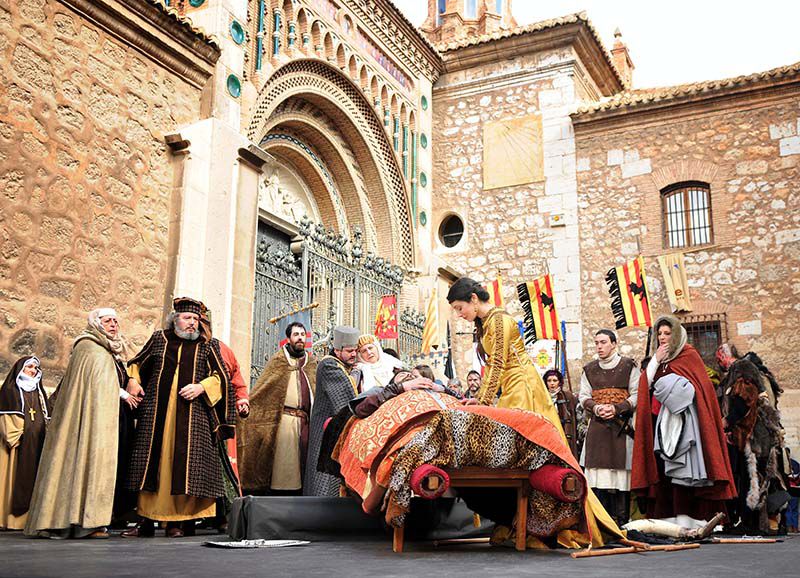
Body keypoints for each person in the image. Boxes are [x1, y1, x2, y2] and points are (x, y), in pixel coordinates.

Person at [447, 277, 623, 546]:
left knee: (528, 458)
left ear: (473, 299)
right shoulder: (485, 324)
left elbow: (496, 365)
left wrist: (481, 400)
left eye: (460, 308)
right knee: (515, 460)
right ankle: (518, 521)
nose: (460, 315)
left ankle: (541, 524)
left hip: (523, 389)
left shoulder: (498, 320)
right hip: (511, 388)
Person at [122, 297, 235, 538]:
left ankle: (179, 522)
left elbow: (221, 377)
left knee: (186, 465)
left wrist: (202, 387)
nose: (192, 323)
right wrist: (132, 381)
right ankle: (145, 520)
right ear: (175, 320)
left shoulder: (208, 345)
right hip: (156, 416)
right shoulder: (159, 339)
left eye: (195, 319)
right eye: (187, 318)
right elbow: (136, 363)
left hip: (193, 419)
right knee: (151, 463)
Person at [25, 308, 138, 539]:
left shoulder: (110, 353)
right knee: (80, 462)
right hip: (86, 422)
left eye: (116, 321)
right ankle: (74, 521)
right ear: (96, 324)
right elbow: (91, 388)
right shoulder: (88, 347)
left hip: (105, 421)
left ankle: (92, 521)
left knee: (99, 464)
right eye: (108, 321)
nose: (114, 325)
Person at [632, 315, 736, 522]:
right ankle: (667, 517)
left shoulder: (689, 355)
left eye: (667, 333)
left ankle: (695, 518)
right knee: (664, 472)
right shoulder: (659, 360)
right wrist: (655, 361)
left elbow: (701, 389)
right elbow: (646, 384)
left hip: (688, 425)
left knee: (686, 470)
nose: (662, 337)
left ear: (677, 334)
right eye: (659, 333)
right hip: (659, 425)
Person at [238, 321, 317, 495]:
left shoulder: (311, 363)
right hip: (283, 421)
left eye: (302, 335)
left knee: (303, 464)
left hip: (305, 422)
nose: (300, 338)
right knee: (283, 464)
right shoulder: (278, 361)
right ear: (288, 338)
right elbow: (261, 391)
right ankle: (278, 496)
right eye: (296, 335)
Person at [722, 357, 789, 534]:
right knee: (760, 481)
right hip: (761, 441)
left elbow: (740, 410)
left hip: (750, 443)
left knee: (750, 481)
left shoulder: (743, 385)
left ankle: (751, 524)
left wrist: (725, 423)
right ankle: (760, 524)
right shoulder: (757, 386)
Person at [578, 330, 638, 524]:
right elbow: (583, 396)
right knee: (598, 478)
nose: (599, 346)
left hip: (621, 428)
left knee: (621, 477)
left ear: (614, 343)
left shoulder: (629, 366)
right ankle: (602, 523)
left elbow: (637, 394)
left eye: (603, 342)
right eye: (596, 343)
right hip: (597, 429)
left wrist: (617, 408)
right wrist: (596, 408)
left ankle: (622, 522)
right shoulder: (589, 369)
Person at [304, 325, 363, 496]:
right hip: (326, 432)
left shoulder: (344, 366)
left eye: (356, 350)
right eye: (350, 351)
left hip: (334, 429)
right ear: (337, 350)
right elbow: (346, 401)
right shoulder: (329, 365)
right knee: (325, 479)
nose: (354, 354)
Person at [0, 356, 50, 529]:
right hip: (16, 447)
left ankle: (29, 520)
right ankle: (9, 521)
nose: (33, 370)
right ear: (20, 369)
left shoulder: (39, 392)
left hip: (36, 444)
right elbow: (7, 420)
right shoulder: (10, 390)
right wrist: (19, 435)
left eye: (35, 368)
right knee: (12, 481)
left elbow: (45, 417)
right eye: (29, 367)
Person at [543, 368, 580, 460]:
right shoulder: (542, 397)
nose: (552, 383)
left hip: (564, 432)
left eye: (555, 380)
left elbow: (576, 414)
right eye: (549, 381)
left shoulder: (568, 396)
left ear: (559, 382)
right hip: (548, 432)